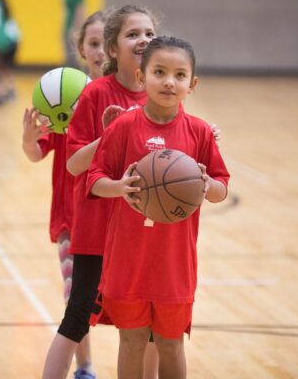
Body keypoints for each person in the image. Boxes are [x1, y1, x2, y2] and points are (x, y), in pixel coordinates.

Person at [86, 36, 230, 379]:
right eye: (160, 72)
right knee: (132, 342)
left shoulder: (199, 132)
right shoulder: (123, 127)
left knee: (170, 344)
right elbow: (94, 179)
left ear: (191, 84)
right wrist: (119, 187)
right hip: (128, 260)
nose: (169, 81)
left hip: (174, 265)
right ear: (141, 77)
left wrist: (208, 186)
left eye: (180, 75)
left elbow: (222, 187)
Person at [42, 4, 160, 379]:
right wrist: (109, 134)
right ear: (112, 49)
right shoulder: (95, 94)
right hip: (97, 231)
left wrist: (201, 143)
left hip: (143, 232)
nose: (143, 40)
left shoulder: (162, 94)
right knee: (77, 318)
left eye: (149, 34)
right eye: (132, 34)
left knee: (153, 327)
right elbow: (75, 164)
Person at [24, 10, 112, 379]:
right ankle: (85, 368)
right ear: (81, 48)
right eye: (93, 43)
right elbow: (35, 152)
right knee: (77, 301)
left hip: (115, 220)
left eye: (107, 43)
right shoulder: (65, 96)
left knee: (124, 301)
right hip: (71, 220)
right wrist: (29, 136)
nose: (100, 51)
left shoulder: (125, 97)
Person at [63, 0, 85, 68]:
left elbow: (80, 10)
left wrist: (77, 28)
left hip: (73, 27)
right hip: (67, 26)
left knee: (73, 55)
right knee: (68, 55)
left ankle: (80, 75)